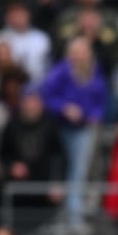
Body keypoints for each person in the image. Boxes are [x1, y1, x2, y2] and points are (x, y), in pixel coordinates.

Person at [40, 37, 109, 225]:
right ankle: (70, 214)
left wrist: (94, 114)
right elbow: (48, 97)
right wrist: (65, 108)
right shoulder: (60, 72)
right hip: (61, 127)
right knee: (66, 169)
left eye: (83, 52)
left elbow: (100, 100)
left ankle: (74, 213)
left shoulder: (94, 71)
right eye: (76, 52)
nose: (79, 56)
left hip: (85, 128)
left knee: (80, 169)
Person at [0, 87, 64, 211]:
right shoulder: (12, 125)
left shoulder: (50, 125)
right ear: (22, 103)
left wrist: (56, 181)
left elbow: (58, 156)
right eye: (29, 102)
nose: (32, 106)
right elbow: (2, 154)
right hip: (17, 190)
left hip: (44, 190)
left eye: (35, 102)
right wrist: (12, 166)